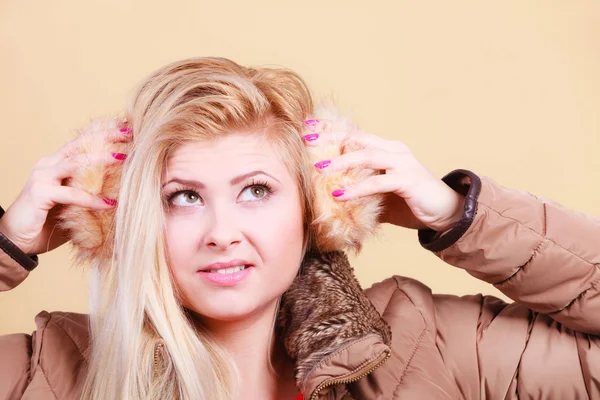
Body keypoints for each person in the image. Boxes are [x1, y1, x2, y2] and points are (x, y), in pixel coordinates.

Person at [0, 57, 598, 400]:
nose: (221, 232)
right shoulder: (48, 372)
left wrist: (455, 217)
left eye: (256, 191)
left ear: (316, 206)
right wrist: (10, 245)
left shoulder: (425, 344)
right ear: (119, 221)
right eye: (182, 198)